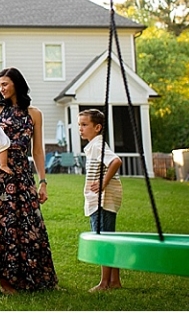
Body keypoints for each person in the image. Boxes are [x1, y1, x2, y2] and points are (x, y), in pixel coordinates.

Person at [0, 67, 58, 294]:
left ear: (17, 84)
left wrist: (43, 181)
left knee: (28, 221)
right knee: (1, 222)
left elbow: (37, 151)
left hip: (22, 170)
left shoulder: (34, 113)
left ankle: (33, 276)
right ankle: (4, 281)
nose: (1, 88)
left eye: (5, 84)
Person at [79, 108, 123, 292]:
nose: (80, 128)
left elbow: (116, 161)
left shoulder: (98, 145)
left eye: (84, 124)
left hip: (103, 199)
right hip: (102, 198)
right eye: (79, 124)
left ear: (97, 127)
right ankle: (114, 281)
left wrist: (103, 184)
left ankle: (104, 283)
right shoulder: (94, 146)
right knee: (109, 237)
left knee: (103, 238)